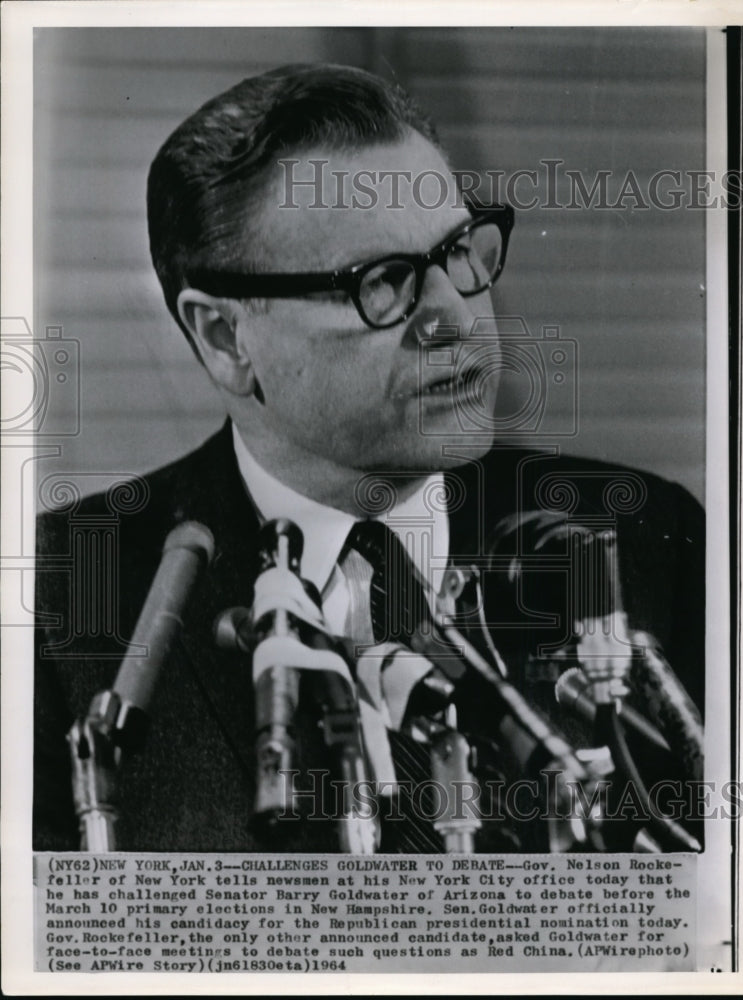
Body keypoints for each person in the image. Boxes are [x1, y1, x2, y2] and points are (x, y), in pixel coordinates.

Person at [33, 63, 704, 853]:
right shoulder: (57, 603)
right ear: (225, 339)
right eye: (382, 284)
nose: (454, 316)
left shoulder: (646, 539)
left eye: (458, 251)